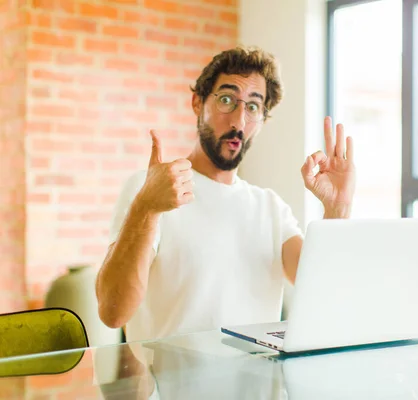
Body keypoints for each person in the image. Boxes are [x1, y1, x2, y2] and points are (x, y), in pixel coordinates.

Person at [95, 46, 356, 343]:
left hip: (256, 388)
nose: (238, 122)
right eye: (226, 100)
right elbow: (112, 312)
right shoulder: (151, 190)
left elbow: (323, 294)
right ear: (198, 103)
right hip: (170, 387)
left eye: (253, 107)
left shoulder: (270, 207)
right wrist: (145, 208)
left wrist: (338, 208)